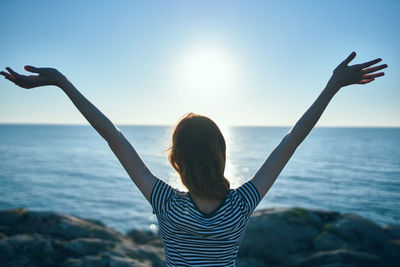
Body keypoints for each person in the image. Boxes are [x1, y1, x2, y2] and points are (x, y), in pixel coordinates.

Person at [1, 52, 387, 266]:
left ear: (178, 161)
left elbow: (111, 135)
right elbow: (291, 141)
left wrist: (61, 82)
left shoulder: (165, 203)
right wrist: (331, 87)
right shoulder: (241, 205)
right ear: (221, 156)